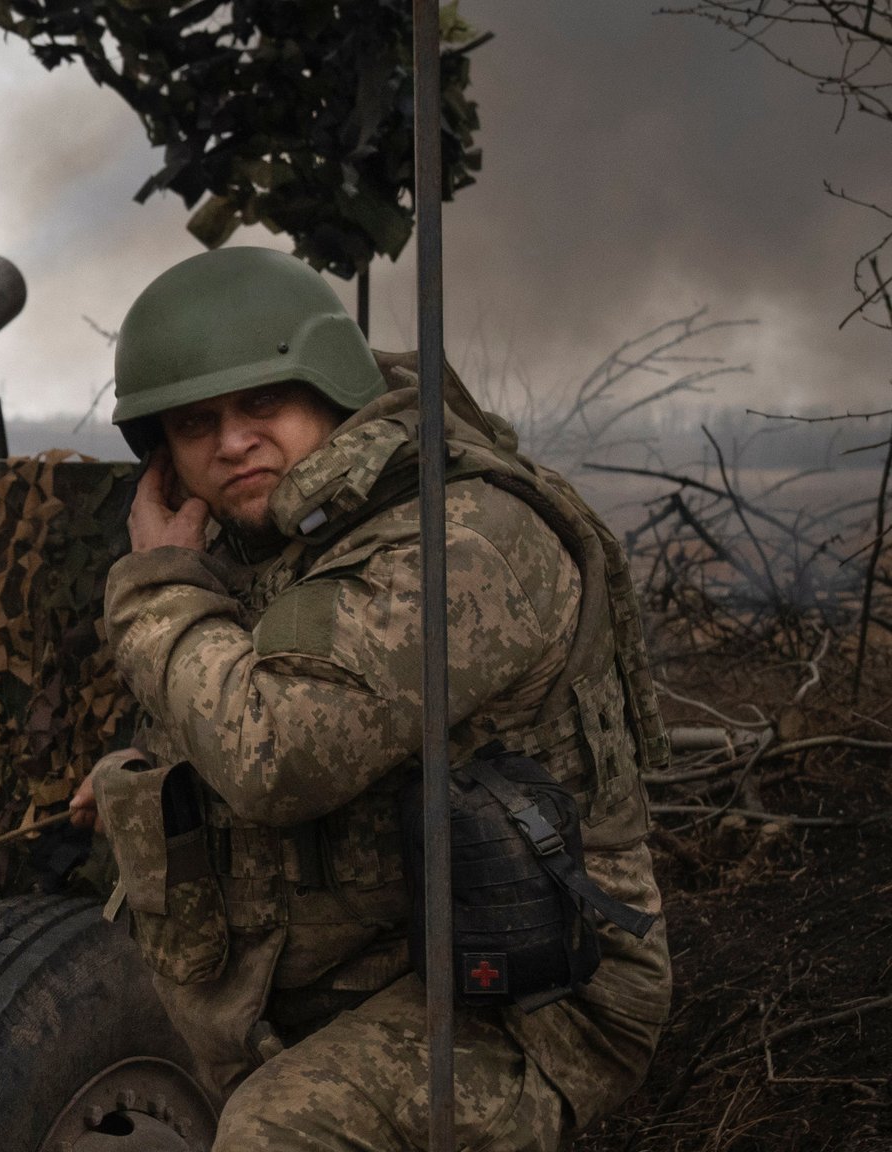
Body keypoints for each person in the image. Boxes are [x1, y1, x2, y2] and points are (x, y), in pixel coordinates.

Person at [66, 248, 671, 1150]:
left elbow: (277, 757)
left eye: (263, 403)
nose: (233, 442)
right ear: (165, 460)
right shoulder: (271, 539)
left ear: (332, 390)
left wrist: (158, 589)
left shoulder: (460, 540)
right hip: (385, 958)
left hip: (536, 992)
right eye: (197, 424)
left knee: (277, 1134)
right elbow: (257, 694)